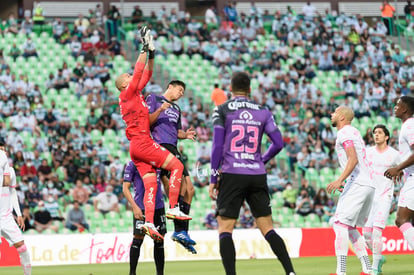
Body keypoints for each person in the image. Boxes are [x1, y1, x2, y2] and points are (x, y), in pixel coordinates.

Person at [209, 72, 295, 275]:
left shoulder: (222, 109)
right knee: (267, 228)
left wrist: (213, 178)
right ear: (249, 90)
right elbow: (279, 143)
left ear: (230, 89)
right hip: (256, 174)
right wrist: (261, 160)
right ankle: (290, 272)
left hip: (232, 173)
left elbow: (217, 145)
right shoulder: (263, 111)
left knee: (225, 229)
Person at [116, 26, 190, 242]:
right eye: (128, 76)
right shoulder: (127, 93)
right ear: (123, 84)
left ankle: (148, 221)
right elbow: (139, 72)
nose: (132, 76)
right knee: (176, 166)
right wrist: (143, 49)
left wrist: (152, 54)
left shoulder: (134, 94)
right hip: (143, 143)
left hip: (135, 148)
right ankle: (174, 207)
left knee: (151, 184)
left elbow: (145, 73)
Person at [146, 80, 197, 253]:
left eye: (183, 92)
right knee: (175, 185)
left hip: (174, 148)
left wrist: (186, 135)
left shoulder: (176, 109)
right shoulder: (153, 99)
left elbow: (176, 132)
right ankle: (179, 229)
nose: (181, 94)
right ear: (170, 87)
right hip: (160, 147)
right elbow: (146, 121)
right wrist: (160, 110)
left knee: (190, 190)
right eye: (180, 90)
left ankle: (182, 232)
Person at [327, 106, 375, 275]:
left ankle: (341, 271)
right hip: (368, 184)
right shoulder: (354, 132)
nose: (331, 115)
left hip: (358, 183)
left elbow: (352, 158)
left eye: (334, 112)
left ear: (341, 117)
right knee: (351, 227)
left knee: (339, 224)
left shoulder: (344, 133)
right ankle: (368, 269)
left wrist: (340, 179)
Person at [363, 124, 399, 274]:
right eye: (374, 132)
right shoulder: (367, 152)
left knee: (377, 232)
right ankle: (379, 257)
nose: (376, 135)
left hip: (385, 196)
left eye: (379, 133)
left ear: (386, 137)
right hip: (371, 197)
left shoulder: (395, 154)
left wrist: (400, 173)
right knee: (366, 234)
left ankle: (375, 267)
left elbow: (403, 168)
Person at [123, 161, 166, 275]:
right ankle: (132, 273)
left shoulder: (158, 161)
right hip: (141, 207)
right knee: (138, 239)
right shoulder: (132, 164)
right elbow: (125, 188)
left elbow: (166, 183)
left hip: (158, 207)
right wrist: (134, 207)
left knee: (159, 240)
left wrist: (172, 205)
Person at [384, 96, 414, 260]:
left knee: (401, 220)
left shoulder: (409, 126)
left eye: (398, 105)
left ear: (406, 109)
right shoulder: (408, 125)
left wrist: (398, 168)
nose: (395, 107)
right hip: (410, 174)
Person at [0, 142, 31, 275]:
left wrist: (18, 214)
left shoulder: (11, 171)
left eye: (4, 150)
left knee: (22, 247)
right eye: (1, 150)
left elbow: (12, 193)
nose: (3, 152)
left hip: (6, 216)